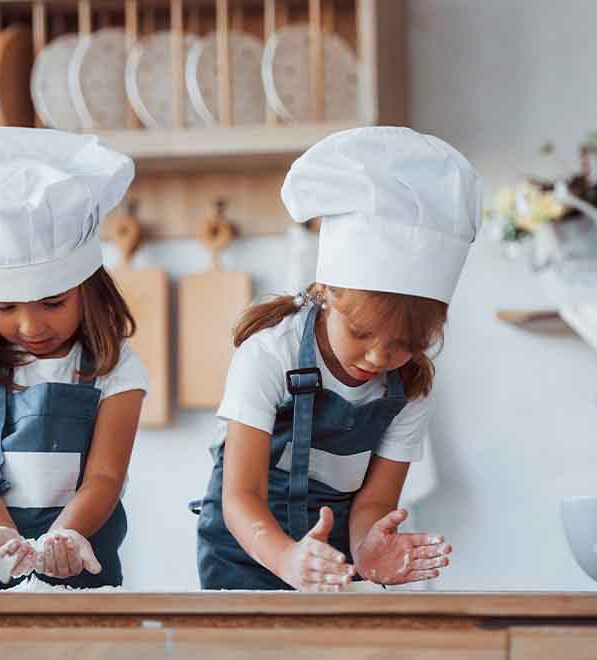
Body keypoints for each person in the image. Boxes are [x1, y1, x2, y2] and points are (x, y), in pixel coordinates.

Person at [196, 127, 482, 591]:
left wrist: (370, 550)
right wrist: (286, 558)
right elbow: (241, 496)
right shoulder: (270, 353)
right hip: (245, 552)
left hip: (334, 562)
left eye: (404, 342)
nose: (378, 356)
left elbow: (373, 502)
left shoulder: (408, 387)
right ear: (326, 292)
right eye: (362, 332)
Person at [0, 127, 147, 589]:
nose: (30, 326)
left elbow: (105, 476)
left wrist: (65, 536)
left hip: (79, 559)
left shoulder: (116, 367)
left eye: (52, 303)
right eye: (6, 308)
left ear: (88, 290)